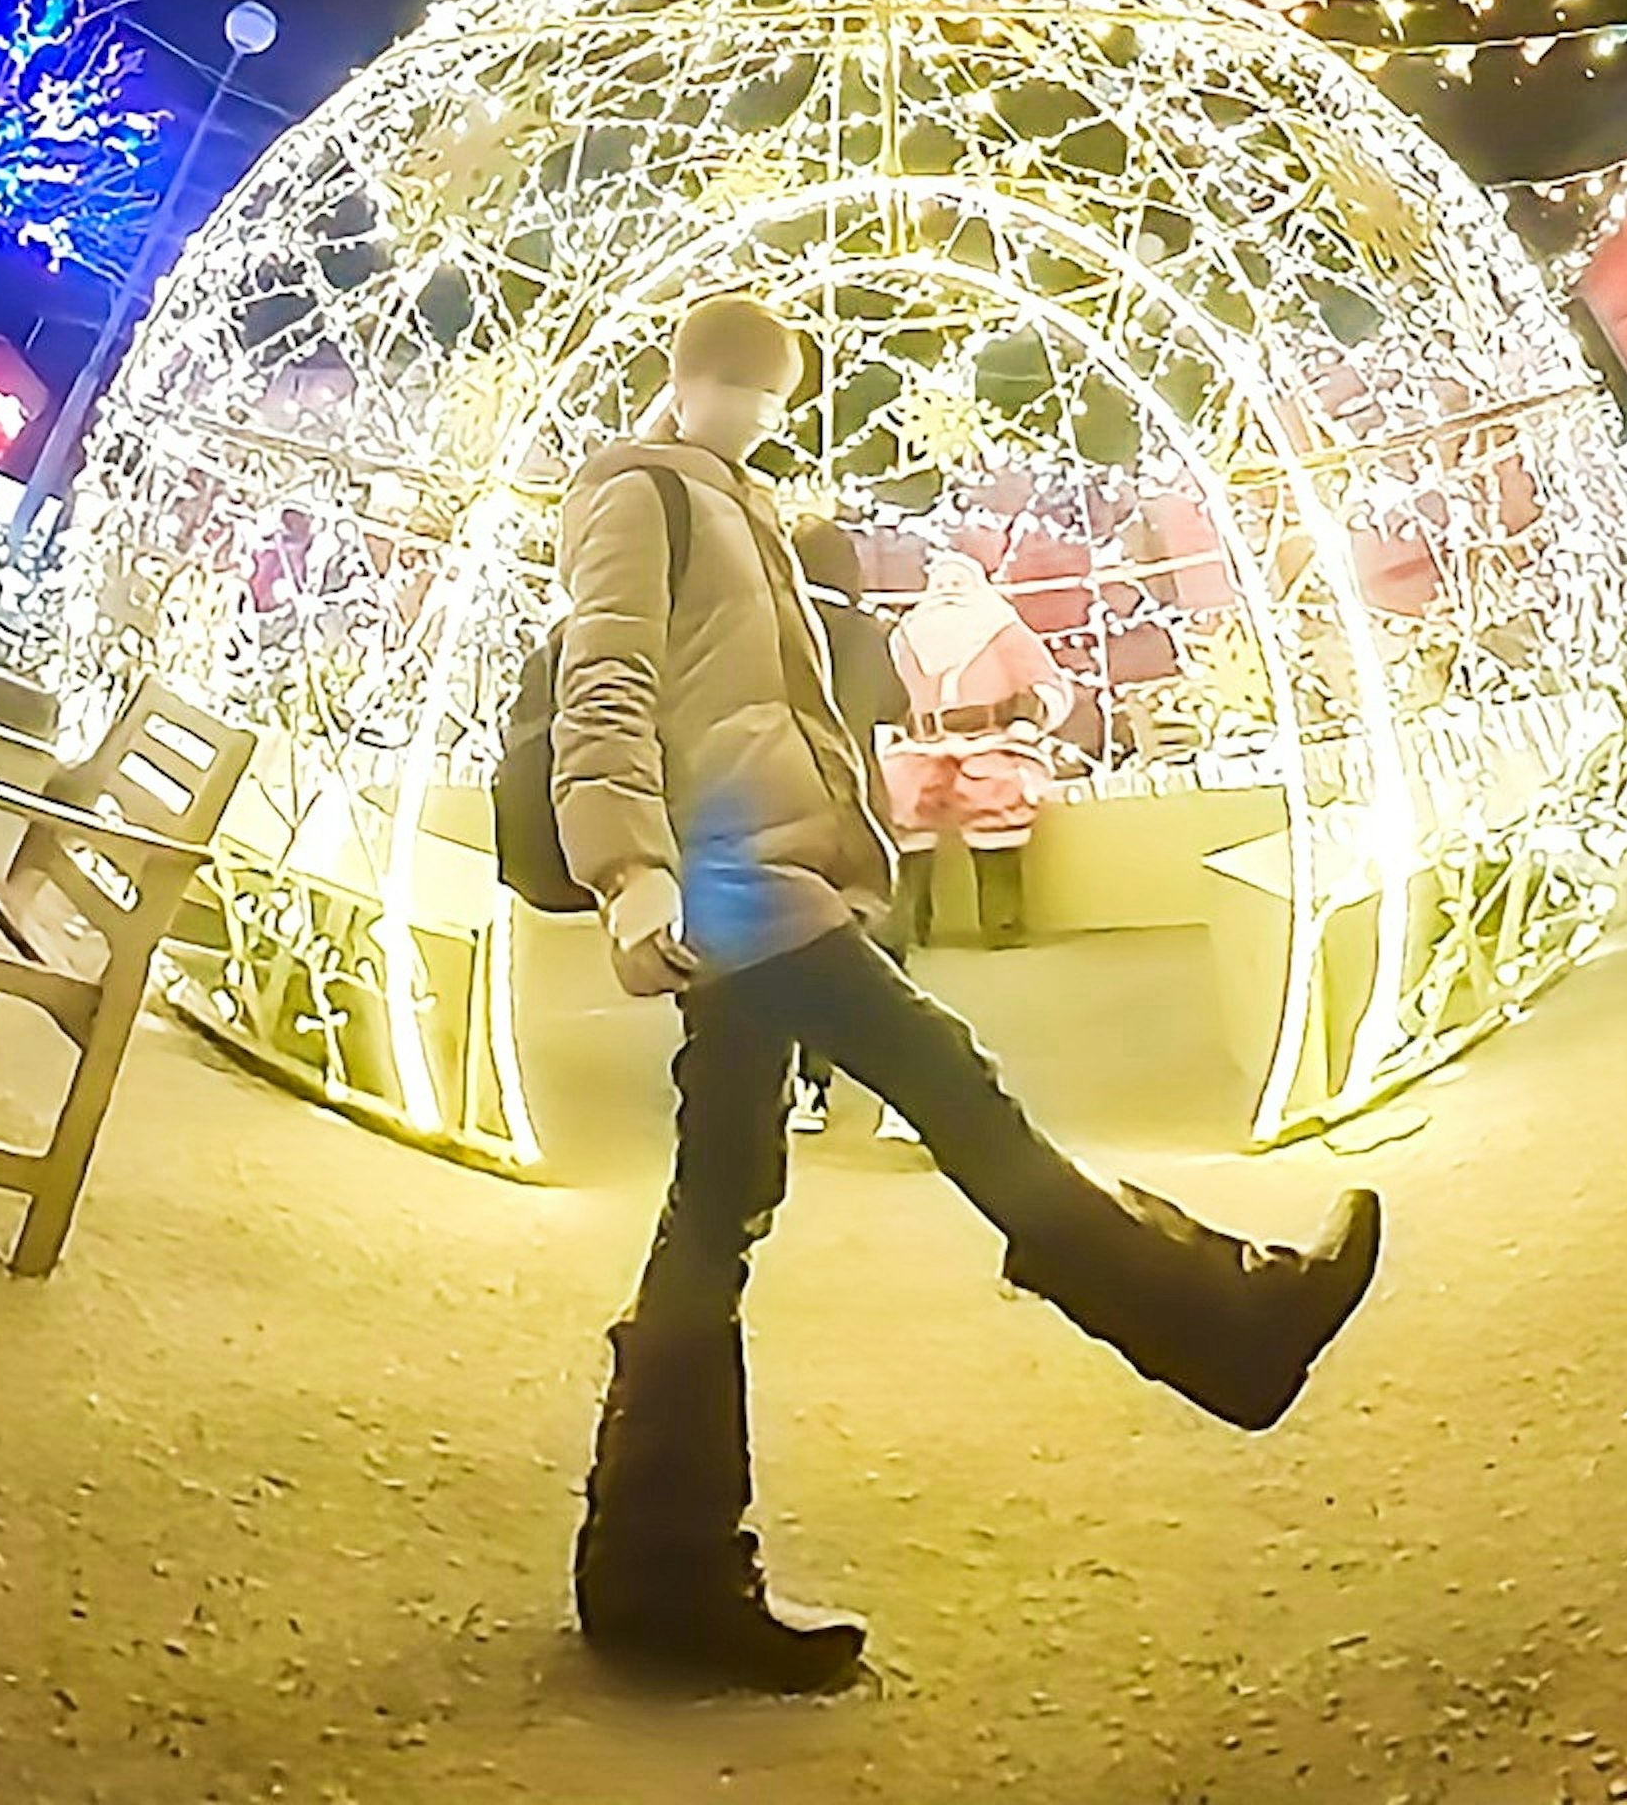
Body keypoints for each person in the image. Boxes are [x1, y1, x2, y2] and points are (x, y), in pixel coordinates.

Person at [550, 290, 1382, 1695]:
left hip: (763, 876)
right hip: (732, 884)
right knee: (947, 1082)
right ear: (692, 381)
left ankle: (654, 1564)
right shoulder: (641, 495)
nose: (761, 415)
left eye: (774, 396)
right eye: (744, 388)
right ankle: (1211, 1320)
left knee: (720, 1195)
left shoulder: (734, 501)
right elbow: (606, 679)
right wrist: (628, 868)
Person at [882, 541, 1070, 950]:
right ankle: (910, 924)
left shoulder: (1002, 629)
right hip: (922, 744)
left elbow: (1045, 682)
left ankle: (1002, 923)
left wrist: (1027, 719)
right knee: (900, 806)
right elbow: (889, 690)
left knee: (995, 807)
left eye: (958, 581)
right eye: (942, 581)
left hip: (991, 742)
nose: (949, 590)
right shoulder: (907, 636)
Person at [782, 516, 903, 1134]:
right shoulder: (870, 631)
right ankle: (902, 1099)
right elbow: (895, 706)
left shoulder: (778, 623)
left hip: (791, 795)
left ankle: (810, 1088)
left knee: (799, 942)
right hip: (863, 797)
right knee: (881, 939)